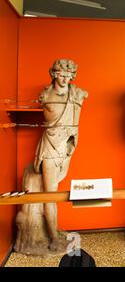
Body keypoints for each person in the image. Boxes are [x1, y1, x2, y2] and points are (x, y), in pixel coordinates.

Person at [35, 59, 88, 250]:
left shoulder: (78, 93)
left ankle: (54, 229)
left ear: (72, 75)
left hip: (67, 148)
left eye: (68, 75)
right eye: (60, 74)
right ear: (53, 74)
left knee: (56, 190)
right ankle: (52, 237)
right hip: (50, 146)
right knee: (50, 194)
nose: (64, 78)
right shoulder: (46, 95)